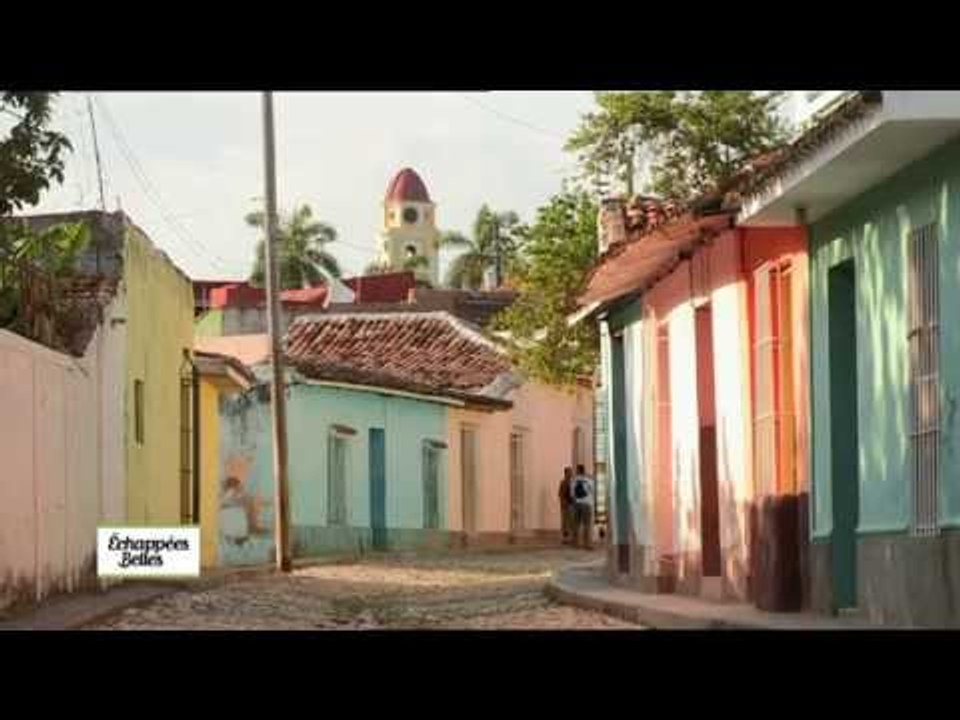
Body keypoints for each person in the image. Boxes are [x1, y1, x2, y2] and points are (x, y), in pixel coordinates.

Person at [570, 464, 595, 550]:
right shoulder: (589, 480)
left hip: (577, 504)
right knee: (587, 524)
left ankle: (576, 543)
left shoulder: (573, 480)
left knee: (576, 524)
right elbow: (593, 491)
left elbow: (572, 494)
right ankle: (587, 544)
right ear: (584, 470)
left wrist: (575, 502)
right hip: (587, 504)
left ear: (577, 471)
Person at [558, 467, 574, 544]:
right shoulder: (563, 482)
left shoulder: (573, 482)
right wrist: (563, 503)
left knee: (571, 522)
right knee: (564, 522)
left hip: (571, 505)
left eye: (571, 472)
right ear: (566, 473)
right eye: (569, 472)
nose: (571, 474)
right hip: (565, 505)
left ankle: (571, 538)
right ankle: (564, 539)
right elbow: (560, 494)